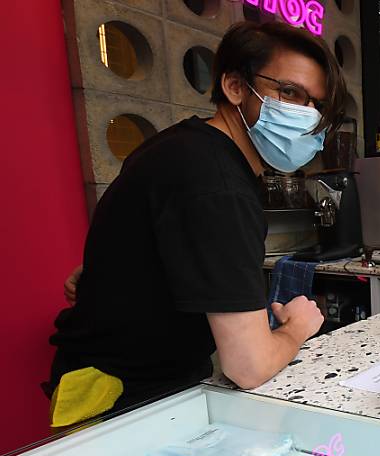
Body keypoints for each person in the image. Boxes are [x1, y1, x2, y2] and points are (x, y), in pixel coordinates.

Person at [49, 22, 341, 426]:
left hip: (115, 379)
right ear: (235, 87)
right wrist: (296, 329)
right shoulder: (219, 186)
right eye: (289, 92)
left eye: (316, 104)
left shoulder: (184, 146)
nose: (306, 115)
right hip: (121, 400)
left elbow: (139, 242)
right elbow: (249, 366)